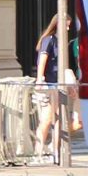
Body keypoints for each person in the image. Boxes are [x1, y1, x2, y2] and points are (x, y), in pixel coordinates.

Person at [30, 14, 62, 163]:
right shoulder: (49, 40)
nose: (68, 28)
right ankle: (41, 150)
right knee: (49, 119)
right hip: (50, 83)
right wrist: (39, 79)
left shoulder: (58, 41)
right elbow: (42, 61)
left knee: (55, 119)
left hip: (56, 83)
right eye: (66, 25)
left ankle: (52, 150)